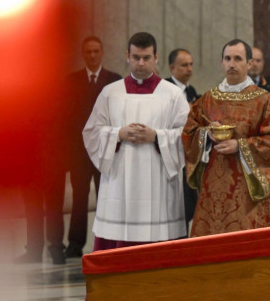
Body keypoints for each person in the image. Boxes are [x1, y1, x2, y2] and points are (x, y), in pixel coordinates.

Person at [83, 32, 189, 252]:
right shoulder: (110, 93)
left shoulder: (173, 94)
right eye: (136, 57)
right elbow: (92, 132)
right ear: (127, 56)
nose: (141, 63)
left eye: (147, 57)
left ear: (156, 57)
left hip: (159, 183)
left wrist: (157, 136)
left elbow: (188, 135)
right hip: (120, 181)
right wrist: (118, 134)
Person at [183, 39, 270, 237]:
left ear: (249, 63)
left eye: (238, 59)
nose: (232, 64)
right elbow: (189, 131)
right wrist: (206, 133)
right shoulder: (208, 99)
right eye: (227, 58)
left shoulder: (264, 100)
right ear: (222, 62)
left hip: (250, 190)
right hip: (214, 187)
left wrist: (240, 145)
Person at [63, 36, 121, 259]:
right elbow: (67, 120)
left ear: (102, 53)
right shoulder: (72, 81)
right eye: (88, 51)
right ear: (83, 54)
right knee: (79, 198)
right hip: (80, 153)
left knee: (106, 196)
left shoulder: (114, 81)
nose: (93, 55)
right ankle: (75, 244)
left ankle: (108, 241)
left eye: (96, 51)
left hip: (105, 150)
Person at [166, 48, 200, 225]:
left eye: (191, 64)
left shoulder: (191, 90)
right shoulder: (164, 89)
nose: (189, 69)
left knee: (187, 203)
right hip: (169, 152)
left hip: (187, 153)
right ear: (172, 68)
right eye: (184, 65)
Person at [248, 46, 270, 116]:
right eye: (251, 61)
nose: (255, 64)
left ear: (263, 63)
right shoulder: (238, 82)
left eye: (258, 61)